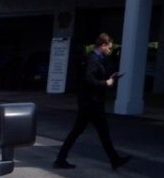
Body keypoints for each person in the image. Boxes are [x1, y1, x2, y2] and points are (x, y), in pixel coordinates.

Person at [53, 33, 132, 171]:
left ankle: (114, 159)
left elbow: (92, 78)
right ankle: (60, 159)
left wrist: (110, 79)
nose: (110, 51)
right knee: (82, 132)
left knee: (99, 132)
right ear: (103, 45)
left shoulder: (96, 59)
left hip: (92, 103)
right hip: (90, 104)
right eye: (109, 48)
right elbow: (88, 80)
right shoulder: (93, 60)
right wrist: (106, 82)